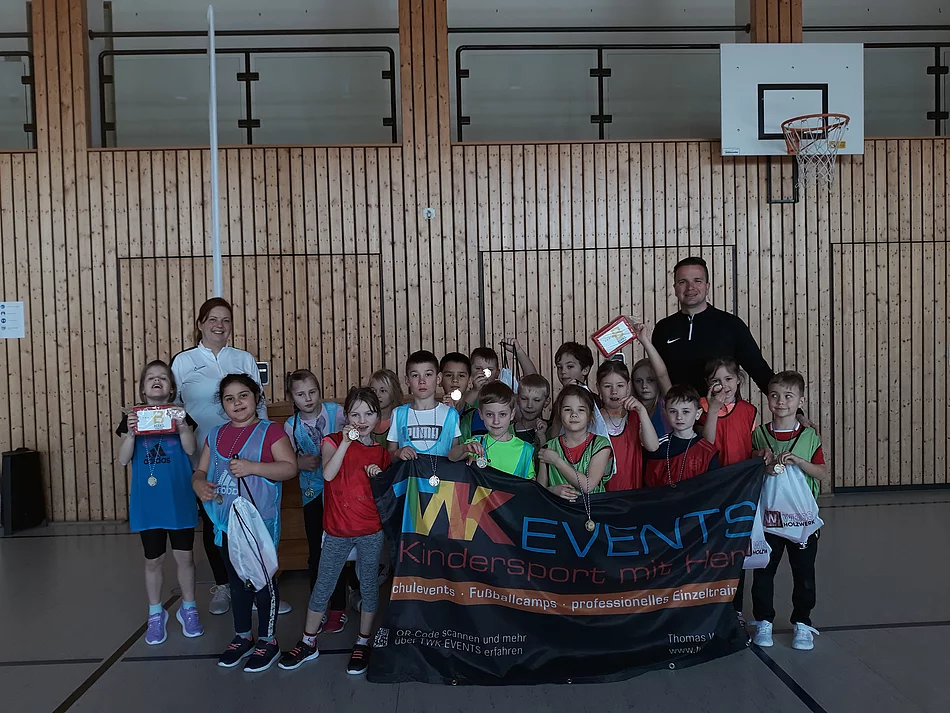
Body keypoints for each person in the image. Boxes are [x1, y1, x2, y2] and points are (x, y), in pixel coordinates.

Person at [171, 297, 283, 616]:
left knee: (253, 519)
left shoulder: (243, 358)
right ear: (200, 324)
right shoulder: (184, 361)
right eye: (212, 319)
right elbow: (173, 408)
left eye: (226, 320)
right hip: (205, 456)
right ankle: (224, 585)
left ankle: (261, 585)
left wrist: (266, 446)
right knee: (215, 522)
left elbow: (260, 405)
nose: (219, 325)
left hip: (249, 458)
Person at [279, 388, 391, 675]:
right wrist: (346, 443)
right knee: (323, 585)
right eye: (355, 414)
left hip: (370, 530)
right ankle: (308, 642)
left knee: (368, 585)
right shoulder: (331, 441)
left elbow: (385, 493)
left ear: (378, 418)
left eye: (368, 414)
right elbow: (328, 474)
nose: (361, 420)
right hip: (337, 530)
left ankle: (363, 641)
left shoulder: (380, 453)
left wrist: (378, 476)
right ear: (346, 417)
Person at [192, 374, 298, 672]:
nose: (237, 403)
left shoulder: (270, 431)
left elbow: (289, 468)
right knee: (236, 582)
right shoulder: (215, 435)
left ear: (256, 397)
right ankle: (243, 636)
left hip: (258, 524)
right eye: (229, 398)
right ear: (222, 404)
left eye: (243, 395)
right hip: (226, 524)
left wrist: (253, 467)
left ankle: (268, 640)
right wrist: (198, 484)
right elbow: (200, 472)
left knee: (262, 583)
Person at [117, 360, 203, 645]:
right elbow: (123, 459)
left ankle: (188, 609)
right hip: (148, 501)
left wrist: (182, 426)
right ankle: (156, 613)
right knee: (153, 560)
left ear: (172, 388)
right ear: (143, 389)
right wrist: (131, 433)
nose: (157, 381)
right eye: (151, 378)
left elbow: (191, 449)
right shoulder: (133, 417)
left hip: (179, 497)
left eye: (163, 378)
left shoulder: (181, 415)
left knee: (185, 557)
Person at [750, 371, 830, 652]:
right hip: (769, 519)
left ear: (801, 401)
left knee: (804, 574)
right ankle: (763, 621)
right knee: (763, 572)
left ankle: (802, 622)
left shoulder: (809, 436)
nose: (781, 401)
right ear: (767, 399)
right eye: (774, 396)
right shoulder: (759, 435)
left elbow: (821, 473)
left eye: (788, 396)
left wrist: (799, 461)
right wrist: (761, 463)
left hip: (801, 519)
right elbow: (749, 470)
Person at [283, 369, 349, 632]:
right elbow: (287, 461)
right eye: (301, 394)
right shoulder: (291, 426)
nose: (308, 398)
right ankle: (318, 606)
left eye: (312, 392)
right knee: (317, 552)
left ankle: (339, 606)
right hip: (312, 493)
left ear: (320, 390)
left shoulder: (336, 412)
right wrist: (299, 463)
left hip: (341, 492)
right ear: (292, 398)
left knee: (339, 549)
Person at [652, 257, 774, 396]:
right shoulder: (663, 329)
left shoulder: (731, 325)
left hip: (723, 409)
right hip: (678, 409)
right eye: (682, 282)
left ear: (707, 286)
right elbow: (655, 376)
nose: (690, 287)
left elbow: (760, 371)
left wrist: (790, 406)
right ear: (675, 288)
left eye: (697, 281)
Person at [697, 357, 757, 621]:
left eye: (729, 379)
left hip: (741, 492)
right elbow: (706, 444)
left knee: (736, 553)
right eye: (716, 381)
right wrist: (712, 408)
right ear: (708, 384)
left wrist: (760, 454)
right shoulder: (701, 407)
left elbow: (748, 445)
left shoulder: (749, 410)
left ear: (739, 380)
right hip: (712, 490)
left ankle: (736, 611)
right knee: (711, 552)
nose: (724, 385)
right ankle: (709, 609)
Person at [537, 385, 613, 501]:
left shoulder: (600, 444)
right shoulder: (549, 447)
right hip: (559, 510)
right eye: (567, 409)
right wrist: (551, 491)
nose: (574, 414)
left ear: (590, 416)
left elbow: (588, 486)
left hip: (594, 510)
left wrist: (557, 461)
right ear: (559, 413)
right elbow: (538, 492)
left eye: (581, 410)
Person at [449, 382, 536, 480]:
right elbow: (451, 457)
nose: (496, 421)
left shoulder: (526, 450)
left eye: (502, 414)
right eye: (489, 414)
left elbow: (530, 485)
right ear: (481, 414)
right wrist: (464, 448)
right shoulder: (476, 444)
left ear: (512, 414)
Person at [595, 360, 660, 491]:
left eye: (620, 385)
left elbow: (653, 446)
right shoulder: (593, 419)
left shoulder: (636, 416)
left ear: (628, 387)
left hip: (631, 493)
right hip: (601, 494)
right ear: (598, 387)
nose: (614, 391)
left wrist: (642, 411)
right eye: (607, 386)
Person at [387, 350, 461, 460]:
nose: (422, 381)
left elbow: (455, 456)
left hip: (441, 472)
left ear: (438, 378)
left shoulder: (451, 414)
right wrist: (398, 453)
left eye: (428, 374)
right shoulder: (398, 414)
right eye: (415, 375)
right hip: (409, 472)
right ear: (407, 380)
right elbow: (389, 455)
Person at [643, 385, 719, 488]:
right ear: (665, 413)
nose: (679, 417)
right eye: (673, 411)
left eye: (685, 412)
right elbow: (648, 487)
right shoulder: (658, 447)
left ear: (698, 414)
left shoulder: (707, 451)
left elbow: (713, 489)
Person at [627, 321, 673, 437]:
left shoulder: (666, 403)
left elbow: (662, 374)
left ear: (658, 382)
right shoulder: (628, 409)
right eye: (638, 381)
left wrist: (644, 340)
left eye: (650, 380)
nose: (644, 386)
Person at [513, 373, 551, 447]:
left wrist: (542, 437)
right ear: (517, 399)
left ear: (546, 402)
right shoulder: (506, 431)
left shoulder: (550, 431)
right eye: (524, 399)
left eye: (536, 400)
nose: (529, 405)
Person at [369, 368, 403, 446]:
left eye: (383, 391)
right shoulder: (364, 419)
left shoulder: (400, 418)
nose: (377, 395)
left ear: (394, 392)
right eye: (373, 391)